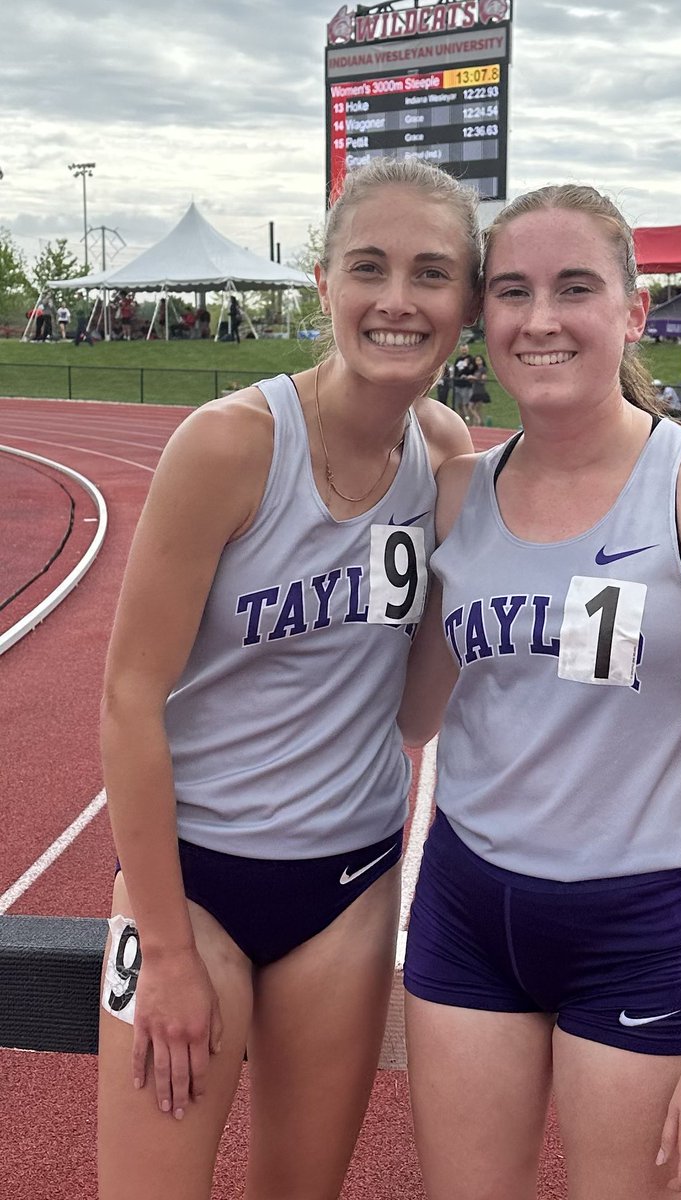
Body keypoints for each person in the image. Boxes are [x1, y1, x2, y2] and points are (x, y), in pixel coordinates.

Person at [399, 183, 681, 1200]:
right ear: (484, 319)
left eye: (575, 288)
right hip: (466, 908)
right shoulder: (457, 495)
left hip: (638, 932)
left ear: (632, 312)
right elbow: (414, 713)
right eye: (514, 291)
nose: (540, 320)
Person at [96, 157, 479, 1200]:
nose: (398, 301)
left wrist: (464, 589)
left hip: (348, 887)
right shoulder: (227, 446)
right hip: (193, 884)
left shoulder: (444, 454)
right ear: (324, 284)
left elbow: (414, 711)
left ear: (466, 300)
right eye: (370, 267)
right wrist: (166, 951)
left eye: (432, 273)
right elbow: (129, 698)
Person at [452, 342, 476, 417]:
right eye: (462, 349)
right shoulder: (458, 359)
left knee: (467, 404)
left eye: (465, 349)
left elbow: (472, 370)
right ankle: (462, 421)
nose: (464, 350)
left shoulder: (471, 359)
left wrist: (466, 366)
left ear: (468, 349)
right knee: (459, 405)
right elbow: (456, 371)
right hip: (458, 385)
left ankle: (471, 423)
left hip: (467, 385)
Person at [468, 353, 491, 426]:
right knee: (475, 408)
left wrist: (474, 378)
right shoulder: (476, 370)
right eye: (476, 360)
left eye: (479, 360)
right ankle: (478, 422)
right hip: (475, 389)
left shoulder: (483, 369)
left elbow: (483, 380)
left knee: (472, 407)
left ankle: (479, 420)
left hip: (480, 390)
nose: (478, 361)